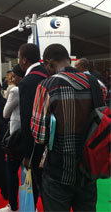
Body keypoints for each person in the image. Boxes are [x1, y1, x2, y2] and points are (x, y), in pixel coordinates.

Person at [31, 43, 105, 211]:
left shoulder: (46, 86)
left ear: (49, 63)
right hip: (88, 170)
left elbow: (39, 136)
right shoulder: (96, 84)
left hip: (58, 171)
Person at [18, 43, 48, 207]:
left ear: (24, 60)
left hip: (37, 146)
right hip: (56, 144)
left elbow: (27, 120)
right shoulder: (48, 74)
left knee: (39, 187)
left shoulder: (27, 82)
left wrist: (28, 154)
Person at [0, 64, 25, 212]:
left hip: (15, 135)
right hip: (28, 133)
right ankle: (30, 205)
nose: (12, 79)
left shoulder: (15, 90)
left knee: (12, 171)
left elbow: (5, 113)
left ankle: (13, 206)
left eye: (13, 76)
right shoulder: (33, 87)